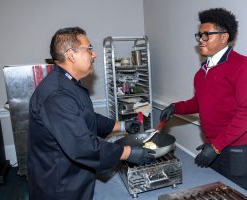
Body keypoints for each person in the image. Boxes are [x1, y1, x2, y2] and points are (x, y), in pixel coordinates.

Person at [28, 27, 154, 200]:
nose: (94, 54)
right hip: (60, 182)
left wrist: (122, 125)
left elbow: (85, 117)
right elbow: (82, 146)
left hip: (72, 174)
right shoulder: (56, 95)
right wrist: (127, 152)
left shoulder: (68, 83)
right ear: (71, 55)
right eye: (89, 49)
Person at [160, 8, 247, 193]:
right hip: (215, 147)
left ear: (224, 37)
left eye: (206, 35)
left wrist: (216, 146)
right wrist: (175, 107)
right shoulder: (202, 73)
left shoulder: (244, 67)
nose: (200, 39)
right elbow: (199, 103)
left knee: (235, 195)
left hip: (239, 151)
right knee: (214, 192)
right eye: (199, 35)